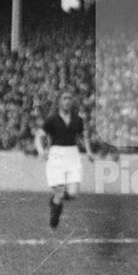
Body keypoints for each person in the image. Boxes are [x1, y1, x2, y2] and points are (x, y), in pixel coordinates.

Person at [35, 90, 94, 229]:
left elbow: (82, 136)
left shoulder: (77, 119)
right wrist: (41, 151)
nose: (67, 101)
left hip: (73, 155)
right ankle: (53, 222)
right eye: (65, 98)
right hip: (57, 155)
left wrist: (89, 152)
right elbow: (39, 135)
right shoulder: (52, 119)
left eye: (69, 98)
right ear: (59, 102)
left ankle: (54, 199)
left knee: (73, 193)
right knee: (60, 192)